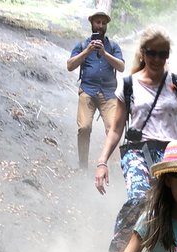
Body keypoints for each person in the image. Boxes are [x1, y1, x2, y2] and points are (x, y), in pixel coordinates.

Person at [92, 25, 177, 252]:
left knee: (176, 203)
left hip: (173, 151)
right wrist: (102, 162)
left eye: (163, 54)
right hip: (137, 151)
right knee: (140, 197)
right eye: (152, 53)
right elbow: (116, 128)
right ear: (142, 52)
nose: (157, 59)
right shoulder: (129, 84)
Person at [67, 11, 125, 169]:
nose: (100, 26)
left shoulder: (113, 46)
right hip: (88, 90)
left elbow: (121, 67)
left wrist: (104, 53)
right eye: (97, 22)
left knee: (113, 128)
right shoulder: (82, 44)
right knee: (84, 127)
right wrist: (87, 51)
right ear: (91, 23)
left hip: (109, 93)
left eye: (103, 23)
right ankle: (83, 165)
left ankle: (109, 165)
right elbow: (70, 66)